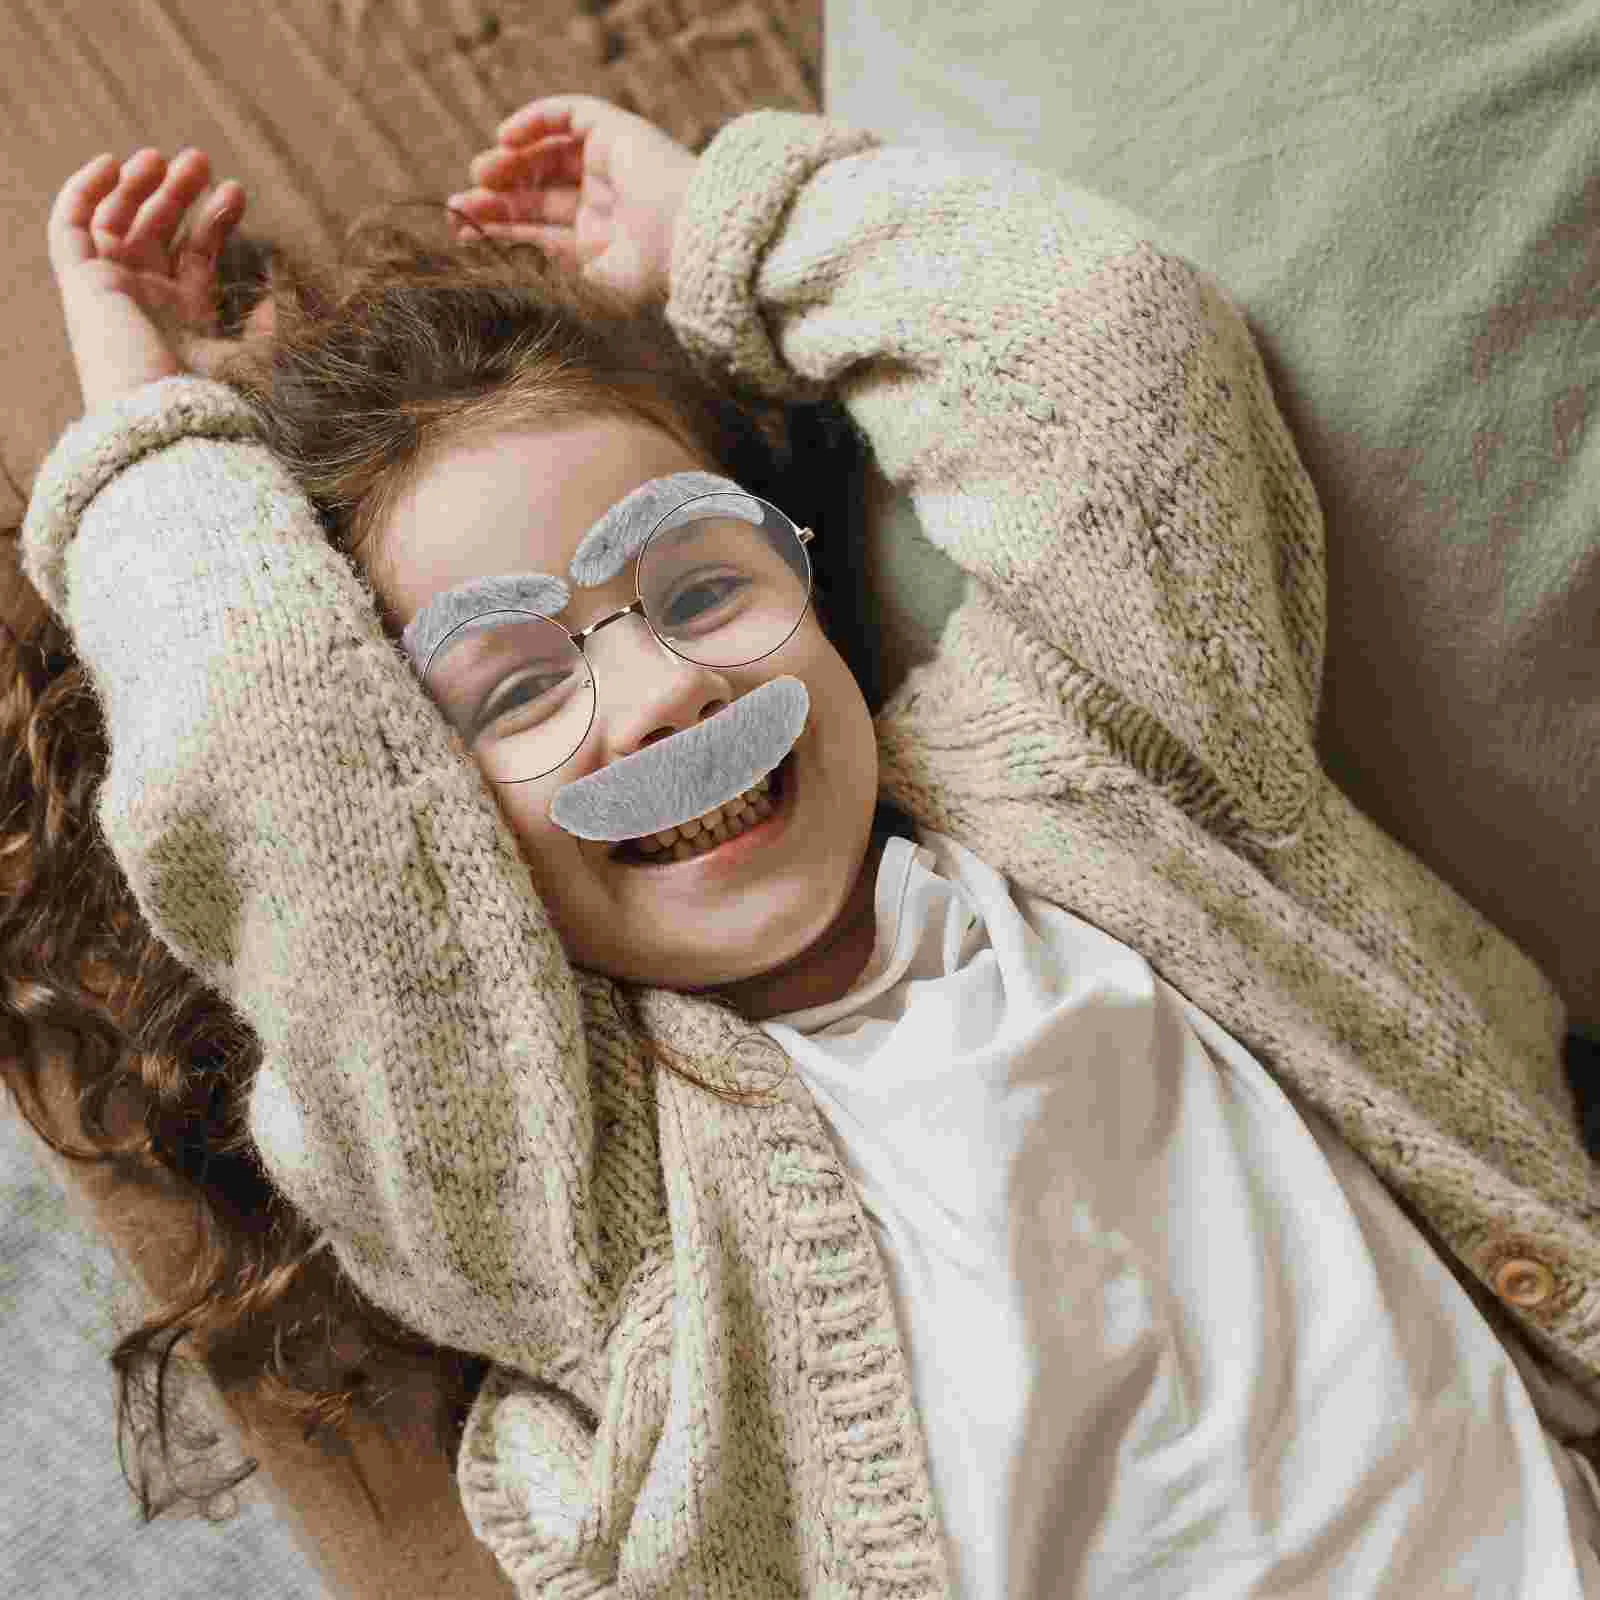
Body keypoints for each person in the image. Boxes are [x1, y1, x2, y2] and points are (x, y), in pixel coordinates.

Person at [22, 92, 1600, 1597]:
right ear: (423, 820)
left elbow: (1116, 370)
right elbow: (272, 754)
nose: (656, 697)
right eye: (516, 689)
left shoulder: (1102, 775)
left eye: (700, 593)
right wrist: (159, 448)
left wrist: (727, 229)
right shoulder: (562, 1171)